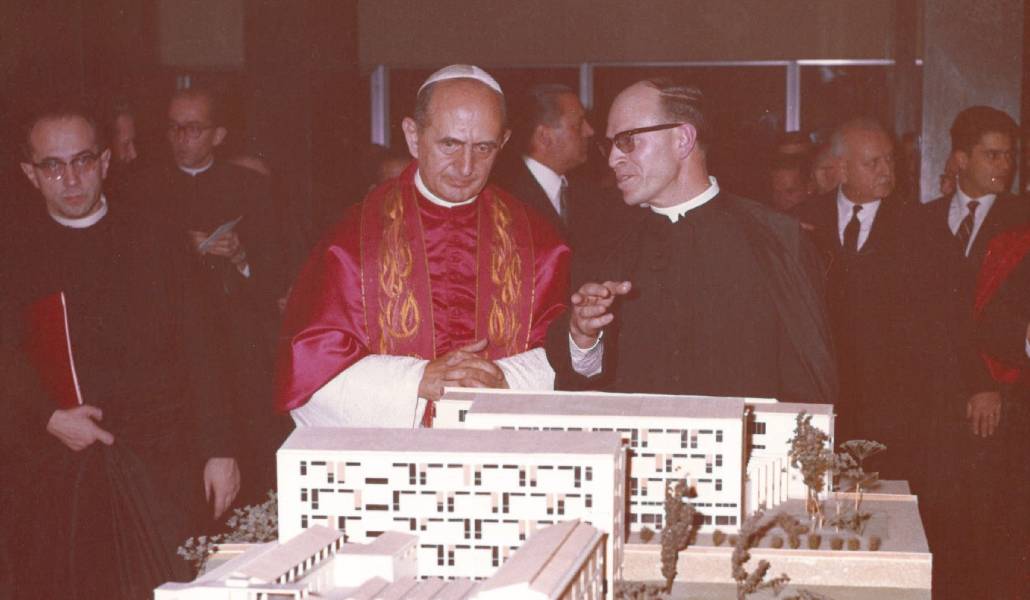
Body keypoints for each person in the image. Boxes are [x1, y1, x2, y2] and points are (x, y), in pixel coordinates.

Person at [0, 100, 238, 599]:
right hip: (56, 468)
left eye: (83, 161)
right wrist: (47, 417)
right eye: (53, 165)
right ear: (30, 173)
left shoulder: (157, 238)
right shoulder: (13, 252)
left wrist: (220, 449)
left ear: (105, 162)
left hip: (159, 463)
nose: (71, 179)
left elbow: (205, 349)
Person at [275, 65, 570, 427]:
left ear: (504, 142)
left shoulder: (539, 241)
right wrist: (415, 381)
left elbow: (567, 359)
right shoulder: (352, 240)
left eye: (483, 148)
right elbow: (309, 374)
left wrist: (507, 379)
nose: (466, 167)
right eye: (450, 144)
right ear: (413, 136)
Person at [545, 79, 836, 404]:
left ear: (682, 139)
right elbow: (588, 386)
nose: (613, 158)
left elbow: (809, 384)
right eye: (610, 144)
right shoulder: (606, 247)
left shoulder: (777, 240)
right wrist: (584, 337)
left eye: (627, 141)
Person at [129, 87, 288, 506]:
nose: (181, 138)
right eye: (174, 128)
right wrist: (181, 248)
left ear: (219, 135)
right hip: (171, 354)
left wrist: (240, 256)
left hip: (239, 348)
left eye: (193, 129)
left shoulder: (250, 187)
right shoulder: (141, 189)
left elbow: (276, 274)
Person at [795, 119, 911, 464]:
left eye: (889, 160)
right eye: (872, 163)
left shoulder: (918, 226)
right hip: (820, 391)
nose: (886, 170)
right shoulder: (800, 221)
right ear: (842, 169)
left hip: (891, 399)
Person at [495, 84, 615, 248]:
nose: (589, 131)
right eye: (578, 124)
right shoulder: (505, 200)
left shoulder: (587, 194)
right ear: (544, 137)